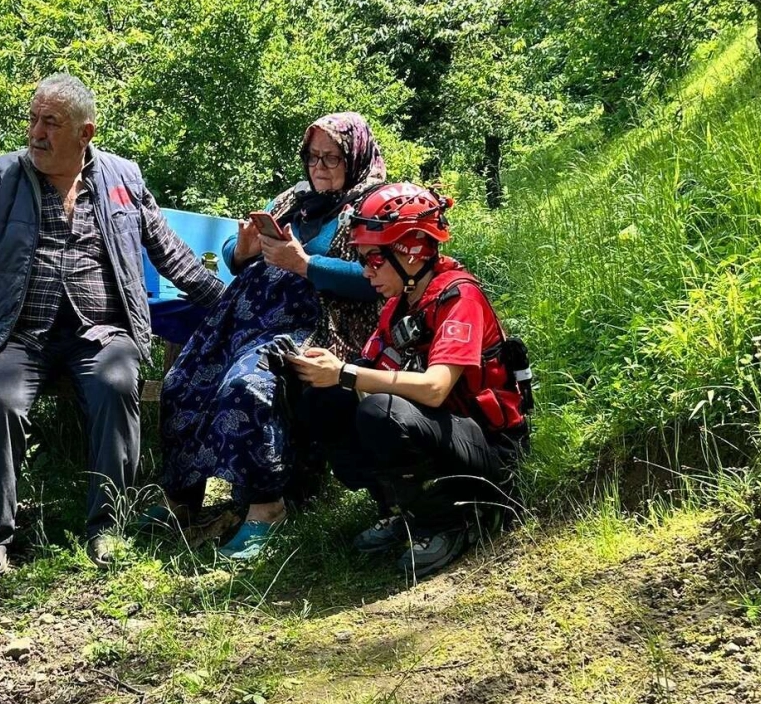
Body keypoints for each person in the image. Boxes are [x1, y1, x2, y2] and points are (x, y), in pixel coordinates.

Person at [0, 76, 225, 582]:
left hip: (103, 332)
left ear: (85, 132)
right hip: (20, 333)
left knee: (114, 384)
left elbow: (170, 253)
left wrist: (230, 307)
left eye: (51, 123)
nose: (36, 133)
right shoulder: (1, 174)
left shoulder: (122, 177)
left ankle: (107, 525)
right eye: (32, 119)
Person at [157, 112, 384, 560]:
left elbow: (375, 277)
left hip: (309, 324)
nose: (319, 167)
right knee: (182, 381)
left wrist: (307, 265)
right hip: (242, 318)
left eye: (332, 158)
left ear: (355, 157)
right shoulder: (295, 198)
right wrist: (240, 249)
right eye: (313, 156)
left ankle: (266, 508)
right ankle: (181, 501)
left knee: (247, 386)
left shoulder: (371, 207)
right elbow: (234, 255)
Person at [291, 182, 531, 578]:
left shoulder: (459, 297)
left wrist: (346, 372)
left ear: (408, 251)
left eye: (373, 260)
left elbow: (436, 388)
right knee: (324, 400)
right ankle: (399, 510)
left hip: (489, 446)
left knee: (379, 410)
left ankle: (452, 521)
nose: (366, 271)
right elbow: (368, 371)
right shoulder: (397, 307)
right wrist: (328, 370)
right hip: (442, 432)